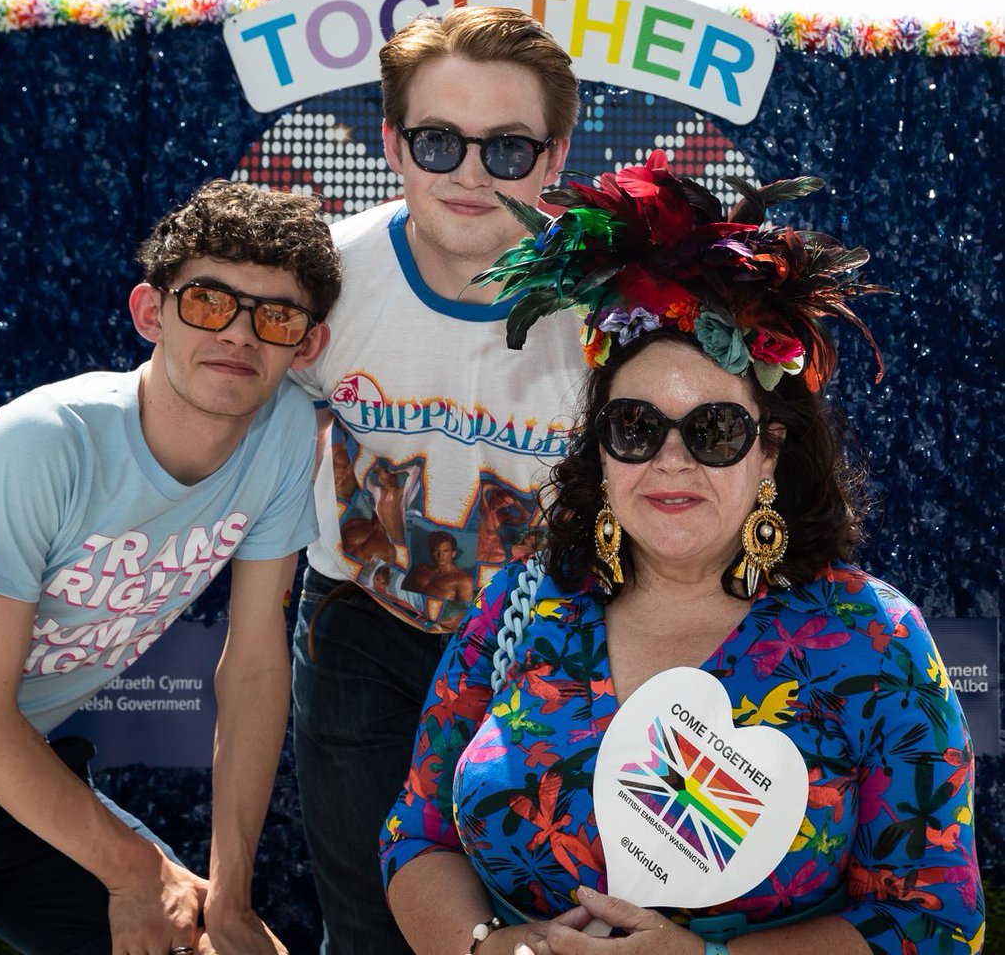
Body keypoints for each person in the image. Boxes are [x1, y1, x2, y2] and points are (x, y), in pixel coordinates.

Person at [381, 154, 984, 955]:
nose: (671, 461)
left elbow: (932, 920)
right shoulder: (525, 605)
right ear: (600, 452)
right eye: (636, 426)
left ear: (769, 451)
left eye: (713, 431)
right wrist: (490, 946)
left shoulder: (872, 640)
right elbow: (416, 836)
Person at [0, 180, 341, 955]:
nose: (240, 336)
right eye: (210, 302)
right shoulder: (44, 440)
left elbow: (252, 666)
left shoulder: (282, 429)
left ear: (306, 345)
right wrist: (135, 873)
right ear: (152, 311)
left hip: (17, 760)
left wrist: (232, 900)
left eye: (275, 317)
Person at [290, 5, 589, 953]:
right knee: (370, 925)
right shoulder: (323, 276)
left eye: (507, 148)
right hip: (361, 626)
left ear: (554, 156)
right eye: (436, 140)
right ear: (391, 143)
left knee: (555, 918)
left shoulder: (608, 306)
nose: (469, 173)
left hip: (548, 639)